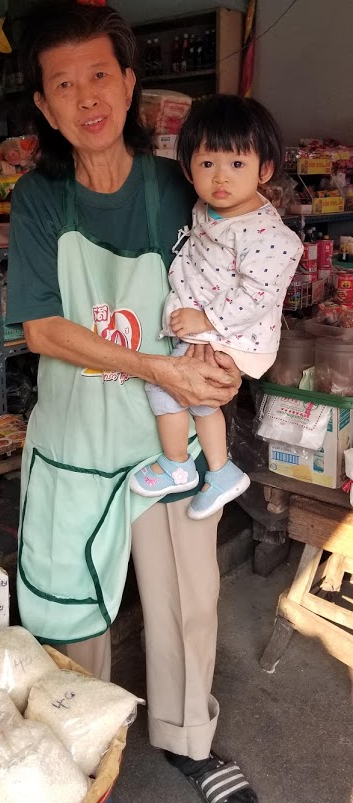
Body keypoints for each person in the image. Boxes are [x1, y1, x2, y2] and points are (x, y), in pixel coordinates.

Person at [7, 0, 259, 802]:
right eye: (64, 84)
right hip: (78, 442)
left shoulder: (174, 186)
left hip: (167, 445)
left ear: (127, 82)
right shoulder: (38, 199)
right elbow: (42, 329)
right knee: (67, 606)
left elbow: (236, 283)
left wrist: (227, 365)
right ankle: (74, 753)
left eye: (99, 76)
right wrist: (158, 367)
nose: (86, 97)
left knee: (190, 599)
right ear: (45, 106)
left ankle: (189, 740)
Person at [130, 95, 303, 519]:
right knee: (201, 399)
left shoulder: (266, 233)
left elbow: (258, 293)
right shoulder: (213, 211)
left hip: (233, 333)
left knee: (165, 385)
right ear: (188, 169)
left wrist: (204, 318)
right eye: (207, 163)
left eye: (237, 164)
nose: (220, 177)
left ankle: (177, 464)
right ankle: (221, 471)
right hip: (213, 329)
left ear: (264, 169)